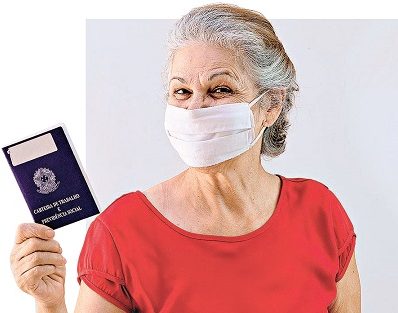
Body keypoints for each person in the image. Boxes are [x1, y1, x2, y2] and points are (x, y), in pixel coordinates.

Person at [9, 3, 361, 313]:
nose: (194, 108)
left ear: (271, 105)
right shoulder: (122, 233)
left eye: (220, 89)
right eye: (182, 91)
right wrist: (50, 304)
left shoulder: (321, 214)